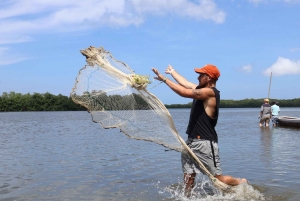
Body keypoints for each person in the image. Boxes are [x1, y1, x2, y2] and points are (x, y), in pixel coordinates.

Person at [151, 64, 247, 197]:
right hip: (190, 142)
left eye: (201, 75)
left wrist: (163, 79)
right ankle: (187, 198)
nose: (198, 77)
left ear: (208, 77)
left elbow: (184, 92)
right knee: (188, 178)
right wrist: (172, 72)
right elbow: (184, 83)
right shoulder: (201, 89)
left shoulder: (211, 93)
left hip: (205, 143)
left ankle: (241, 182)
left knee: (217, 179)